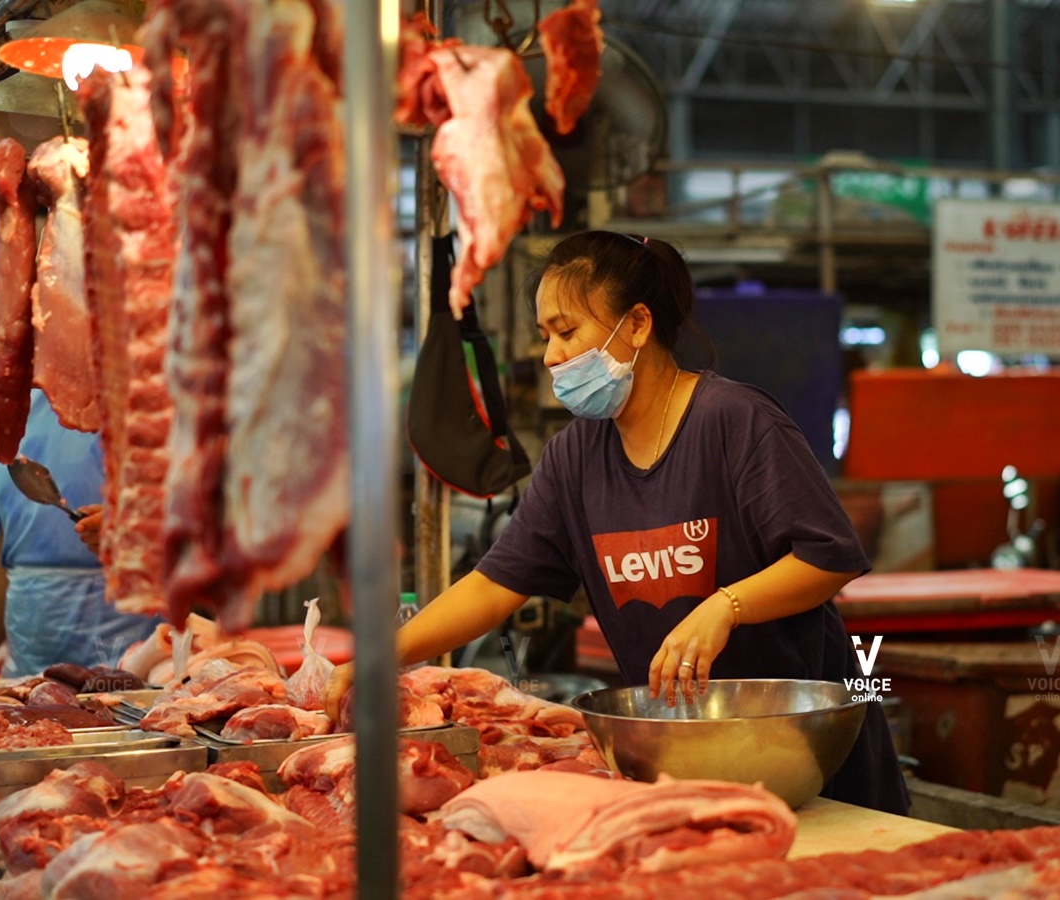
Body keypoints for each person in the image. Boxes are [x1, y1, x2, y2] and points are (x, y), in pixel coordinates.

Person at [335, 230, 908, 813]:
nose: (551, 355)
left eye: (566, 331)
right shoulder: (575, 456)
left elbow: (827, 558)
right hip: (684, 754)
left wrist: (724, 606)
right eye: (544, 337)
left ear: (637, 324)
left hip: (803, 757)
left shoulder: (736, 421)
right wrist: (383, 658)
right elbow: (493, 585)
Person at [0, 388, 162, 676]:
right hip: (27, 687)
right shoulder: (4, 405)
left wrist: (142, 539)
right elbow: (6, 554)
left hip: (138, 684)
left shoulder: (151, 388)